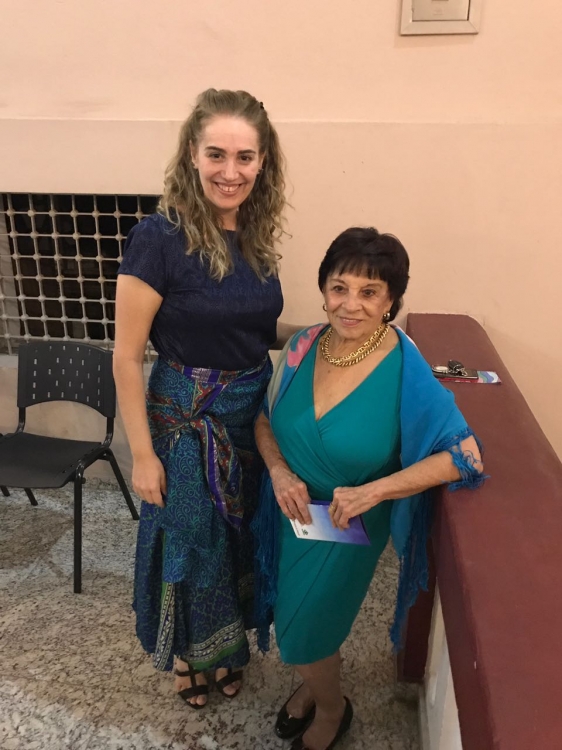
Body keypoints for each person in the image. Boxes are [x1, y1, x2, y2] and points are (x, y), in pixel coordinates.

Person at [253, 227, 486, 750]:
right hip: (289, 512)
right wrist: (278, 471)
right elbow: (265, 419)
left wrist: (374, 492)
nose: (350, 304)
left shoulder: (404, 366)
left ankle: (332, 709)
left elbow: (466, 455)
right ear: (323, 290)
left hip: (347, 524)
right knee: (301, 621)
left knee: (302, 631)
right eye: (339, 288)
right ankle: (315, 685)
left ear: (390, 301)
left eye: (369, 292)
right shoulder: (303, 346)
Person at [113, 88, 301, 709]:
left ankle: (225, 650)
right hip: (183, 419)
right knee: (191, 540)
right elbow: (125, 356)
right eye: (216, 154)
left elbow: (252, 330)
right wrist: (142, 455)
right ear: (192, 154)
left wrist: (326, 337)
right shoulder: (158, 238)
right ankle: (189, 657)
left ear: (263, 161)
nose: (230, 171)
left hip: (248, 415)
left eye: (245, 157)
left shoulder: (256, 236)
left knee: (237, 538)